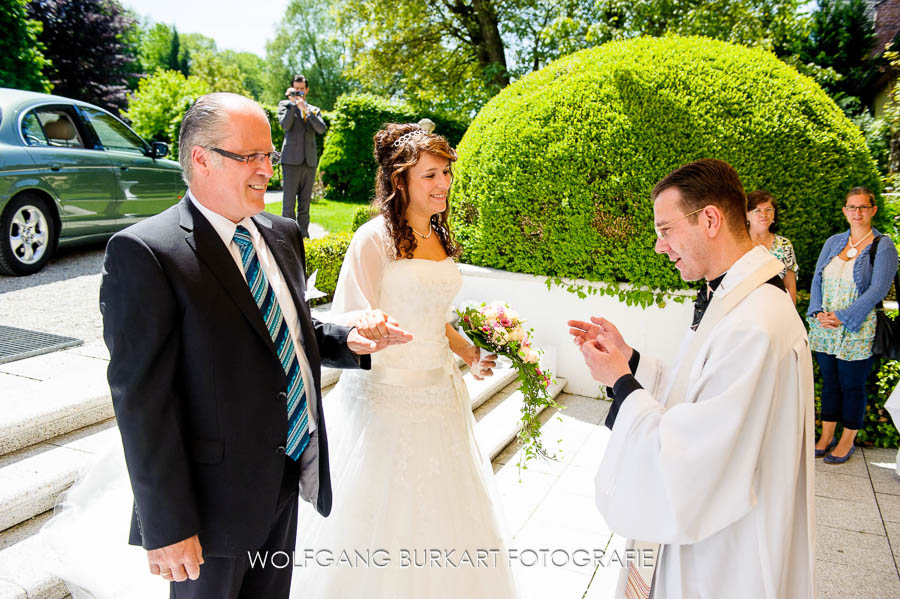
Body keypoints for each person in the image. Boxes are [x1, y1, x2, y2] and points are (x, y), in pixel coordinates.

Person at [41, 92, 411, 599]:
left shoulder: (282, 233)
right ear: (201, 158)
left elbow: (283, 332)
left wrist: (349, 338)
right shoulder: (146, 252)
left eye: (270, 155)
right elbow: (143, 403)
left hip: (285, 477)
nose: (267, 168)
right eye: (250, 156)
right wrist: (167, 525)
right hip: (210, 505)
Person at [286, 122, 520, 598]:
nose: (444, 185)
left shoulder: (440, 233)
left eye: (446, 174)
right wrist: (373, 330)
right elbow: (350, 318)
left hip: (441, 395)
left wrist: (471, 352)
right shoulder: (374, 239)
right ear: (401, 181)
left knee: (445, 511)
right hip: (386, 398)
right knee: (383, 516)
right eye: (431, 175)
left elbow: (435, 317)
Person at [569, 159, 815, 599]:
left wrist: (621, 383)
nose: (659, 246)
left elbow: (694, 451)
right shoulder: (735, 299)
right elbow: (698, 391)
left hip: (724, 553)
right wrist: (631, 360)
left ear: (710, 219)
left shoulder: (753, 322)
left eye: (665, 229)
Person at [807, 187, 898, 464]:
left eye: (862, 207)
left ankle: (847, 440)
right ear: (844, 210)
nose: (856, 213)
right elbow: (817, 279)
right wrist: (817, 311)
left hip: (857, 328)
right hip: (826, 328)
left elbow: (878, 289)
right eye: (851, 207)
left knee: (852, 386)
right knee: (830, 384)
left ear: (873, 210)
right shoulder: (834, 242)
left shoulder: (884, 245)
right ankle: (826, 436)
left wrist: (844, 316)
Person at [278, 74, 326, 238]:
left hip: (309, 162)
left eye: (301, 89)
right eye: (296, 89)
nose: (299, 92)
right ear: (291, 89)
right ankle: (288, 237)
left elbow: (321, 129)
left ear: (306, 90)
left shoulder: (314, 109)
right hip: (291, 161)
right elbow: (285, 125)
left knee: (305, 205)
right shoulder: (285, 105)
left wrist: (306, 111)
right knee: (288, 204)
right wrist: (293, 105)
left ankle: (304, 236)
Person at [747, 189, 798, 303]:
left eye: (768, 209)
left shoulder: (784, 245)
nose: (764, 215)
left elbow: (790, 285)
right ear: (747, 215)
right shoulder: (738, 244)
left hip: (777, 308)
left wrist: (791, 315)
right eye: (757, 210)